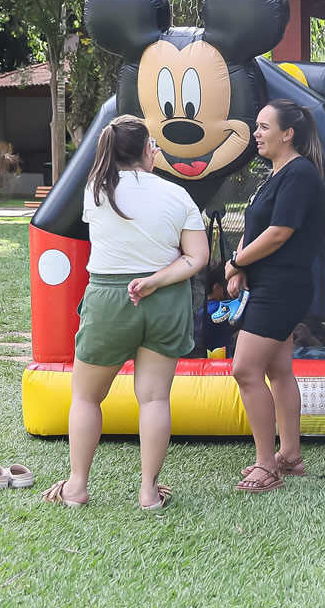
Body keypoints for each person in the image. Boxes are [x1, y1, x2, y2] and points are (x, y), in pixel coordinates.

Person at [42, 115, 208, 510]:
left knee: (86, 397)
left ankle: (77, 487)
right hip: (165, 301)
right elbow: (197, 257)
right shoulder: (177, 194)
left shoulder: (95, 191)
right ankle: (149, 492)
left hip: (109, 299)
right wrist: (154, 281)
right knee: (154, 399)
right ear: (148, 149)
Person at [224, 99, 325, 492]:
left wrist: (236, 262)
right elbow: (258, 229)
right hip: (271, 283)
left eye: (264, 127)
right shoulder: (276, 174)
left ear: (288, 134)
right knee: (278, 369)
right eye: (257, 126)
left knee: (244, 369)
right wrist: (241, 268)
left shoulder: (299, 173)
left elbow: (279, 232)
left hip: (282, 288)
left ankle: (266, 466)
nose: (256, 133)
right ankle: (290, 456)